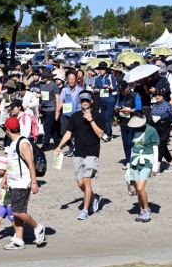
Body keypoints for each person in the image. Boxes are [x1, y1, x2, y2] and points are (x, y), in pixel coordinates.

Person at [54, 91, 104, 221]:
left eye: (87, 100)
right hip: (79, 152)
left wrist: (91, 120)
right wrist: (59, 146)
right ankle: (94, 197)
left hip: (92, 151)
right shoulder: (75, 116)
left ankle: (85, 210)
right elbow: (68, 133)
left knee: (87, 181)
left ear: (91, 101)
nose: (85, 103)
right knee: (79, 182)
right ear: (80, 102)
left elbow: (100, 134)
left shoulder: (98, 116)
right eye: (83, 101)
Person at [1, 117, 46, 249]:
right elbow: (12, 164)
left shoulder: (23, 143)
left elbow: (31, 163)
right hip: (13, 182)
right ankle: (19, 240)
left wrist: (34, 182)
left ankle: (37, 227)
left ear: (8, 130)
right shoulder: (13, 143)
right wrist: (5, 178)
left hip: (22, 182)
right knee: (16, 211)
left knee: (17, 211)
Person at [126, 113, 160, 222]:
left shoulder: (151, 130)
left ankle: (146, 209)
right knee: (137, 189)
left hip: (146, 161)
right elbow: (133, 147)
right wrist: (129, 165)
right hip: (134, 161)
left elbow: (155, 148)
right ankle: (142, 210)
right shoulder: (133, 131)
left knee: (140, 187)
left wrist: (155, 166)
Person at [115, 80, 142, 168]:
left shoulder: (135, 95)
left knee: (131, 143)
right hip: (123, 122)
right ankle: (128, 161)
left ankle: (134, 160)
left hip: (133, 122)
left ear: (128, 88)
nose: (122, 92)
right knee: (125, 143)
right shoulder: (120, 95)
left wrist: (127, 110)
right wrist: (117, 108)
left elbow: (138, 108)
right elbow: (117, 104)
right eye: (121, 91)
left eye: (123, 90)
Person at [39, 68, 62, 151]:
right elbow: (42, 97)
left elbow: (57, 98)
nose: (43, 77)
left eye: (45, 75)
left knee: (47, 127)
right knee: (51, 127)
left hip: (51, 108)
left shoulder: (53, 85)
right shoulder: (42, 85)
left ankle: (46, 145)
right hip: (44, 108)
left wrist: (57, 111)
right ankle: (57, 142)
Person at [93, 62, 117, 141]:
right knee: (103, 118)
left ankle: (107, 134)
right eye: (100, 69)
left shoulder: (111, 77)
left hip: (110, 100)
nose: (101, 71)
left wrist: (109, 87)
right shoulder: (97, 79)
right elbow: (95, 88)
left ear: (106, 70)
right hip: (102, 100)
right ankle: (108, 132)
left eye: (103, 69)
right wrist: (95, 90)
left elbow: (115, 87)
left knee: (107, 117)